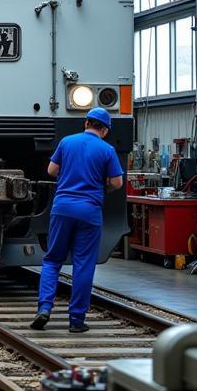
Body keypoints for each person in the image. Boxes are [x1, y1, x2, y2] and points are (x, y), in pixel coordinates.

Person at [31, 107, 125, 334]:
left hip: (62, 208)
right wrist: (103, 185)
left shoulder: (66, 142)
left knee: (53, 260)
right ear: (104, 130)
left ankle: (44, 308)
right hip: (90, 212)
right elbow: (118, 182)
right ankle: (76, 320)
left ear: (86, 123)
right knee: (83, 264)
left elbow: (52, 171)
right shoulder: (107, 149)